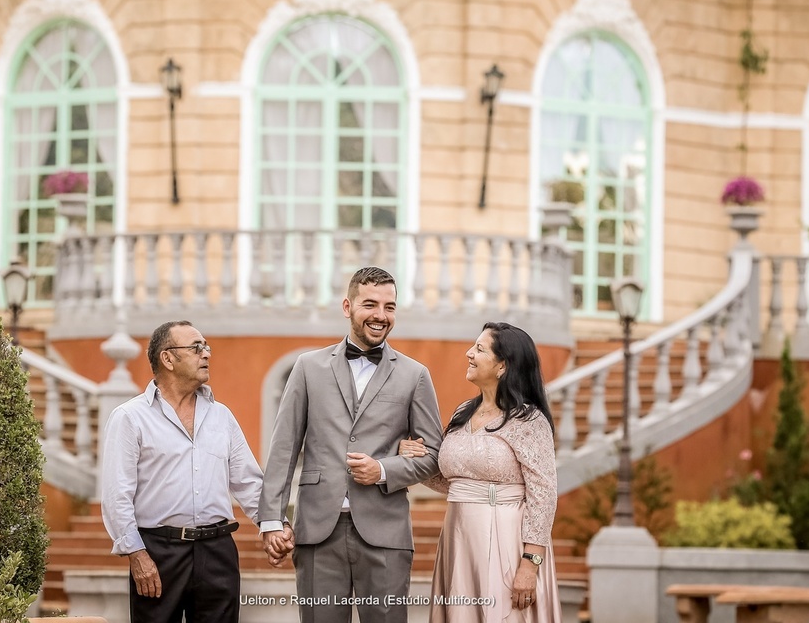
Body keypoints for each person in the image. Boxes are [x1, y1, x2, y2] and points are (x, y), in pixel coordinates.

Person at [259, 265, 444, 623]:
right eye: (370, 305)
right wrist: (271, 519)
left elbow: (435, 456)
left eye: (389, 307)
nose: (380, 315)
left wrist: (383, 470)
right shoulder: (308, 367)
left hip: (386, 531)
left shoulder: (415, 374)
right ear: (347, 307)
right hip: (317, 530)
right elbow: (284, 446)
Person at [101, 320, 289, 622]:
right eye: (196, 347)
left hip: (218, 551)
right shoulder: (129, 418)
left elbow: (249, 483)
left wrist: (273, 526)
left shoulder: (221, 416)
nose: (206, 354)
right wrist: (137, 554)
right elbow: (116, 494)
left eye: (207, 347)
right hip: (159, 553)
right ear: (168, 358)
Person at [399, 322, 560, 622]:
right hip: (458, 536)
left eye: (479, 349)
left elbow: (544, 493)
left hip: (508, 539)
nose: (468, 353)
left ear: (502, 366)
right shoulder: (463, 413)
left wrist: (530, 562)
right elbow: (455, 481)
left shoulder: (528, 421)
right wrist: (414, 460)